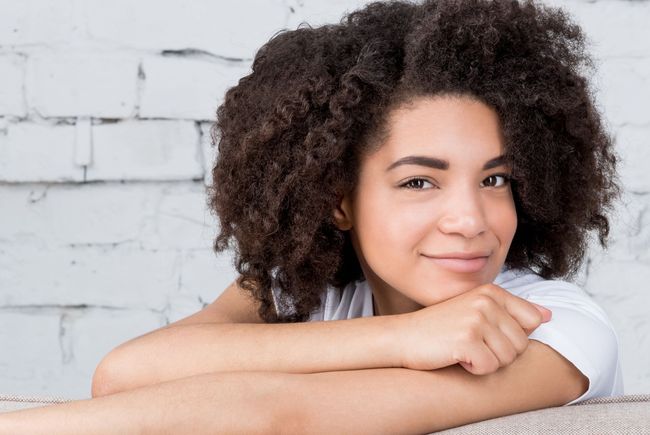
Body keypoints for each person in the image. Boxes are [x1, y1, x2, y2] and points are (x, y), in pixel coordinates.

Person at [0, 0, 624, 433]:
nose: (471, 219)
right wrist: (402, 339)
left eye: (496, 178)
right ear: (338, 200)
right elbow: (122, 374)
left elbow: (281, 416)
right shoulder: (310, 295)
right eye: (418, 181)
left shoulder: (558, 330)